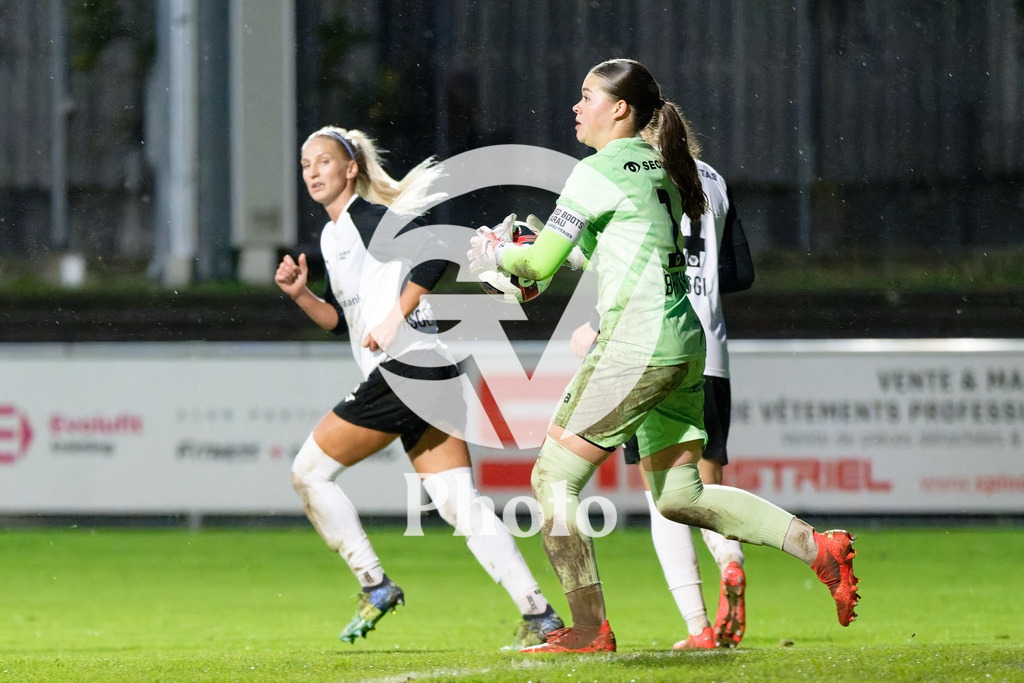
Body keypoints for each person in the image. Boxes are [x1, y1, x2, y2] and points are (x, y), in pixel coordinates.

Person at [468, 58, 859, 654]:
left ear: (620, 109)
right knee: (681, 497)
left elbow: (539, 263)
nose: (576, 107)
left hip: (637, 342)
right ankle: (818, 548)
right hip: (684, 342)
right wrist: (529, 260)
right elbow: (599, 254)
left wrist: (500, 256)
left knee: (551, 478)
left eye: (587, 96)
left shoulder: (595, 170)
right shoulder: (663, 167)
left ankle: (589, 628)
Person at [276, 126, 563, 648]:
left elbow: (436, 253)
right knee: (460, 505)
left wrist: (394, 318)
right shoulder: (333, 236)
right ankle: (540, 615)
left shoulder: (366, 217)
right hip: (433, 370)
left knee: (308, 474)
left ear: (351, 169)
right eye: (305, 164)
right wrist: (301, 297)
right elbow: (342, 322)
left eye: (323, 161)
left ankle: (374, 583)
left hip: (405, 368)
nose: (313, 171)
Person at [568, 156, 754, 650]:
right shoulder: (714, 179)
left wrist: (597, 322)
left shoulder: (637, 173)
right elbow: (740, 272)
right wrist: (701, 278)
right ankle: (730, 558)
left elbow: (636, 263)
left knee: (664, 498)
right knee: (706, 485)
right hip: (711, 353)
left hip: (654, 344)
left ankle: (698, 627)